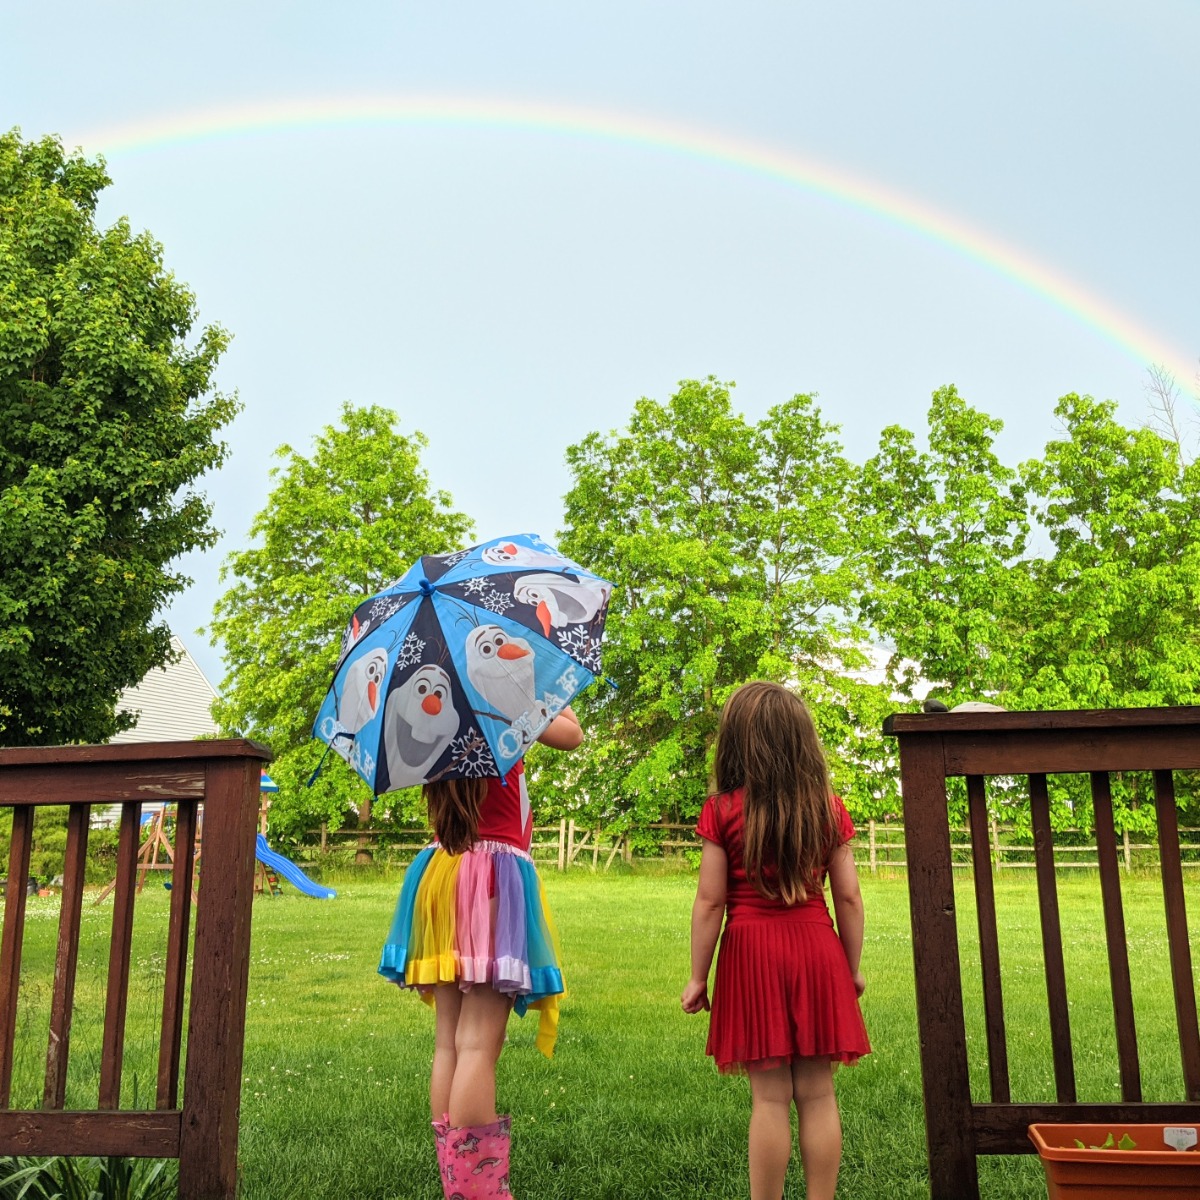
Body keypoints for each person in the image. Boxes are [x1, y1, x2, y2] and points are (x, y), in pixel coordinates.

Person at [378, 707, 582, 1200]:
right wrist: (536, 687)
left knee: (449, 1043)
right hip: (491, 878)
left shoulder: (440, 711)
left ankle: (456, 1182)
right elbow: (571, 734)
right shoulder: (501, 704)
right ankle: (477, 1193)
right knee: (477, 1046)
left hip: (441, 874)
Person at [681, 682, 869, 1200]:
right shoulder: (829, 810)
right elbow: (849, 899)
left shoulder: (720, 812)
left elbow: (710, 902)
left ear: (736, 743)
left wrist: (698, 977)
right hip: (817, 952)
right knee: (817, 1093)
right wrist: (850, 968)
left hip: (751, 954)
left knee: (768, 1101)